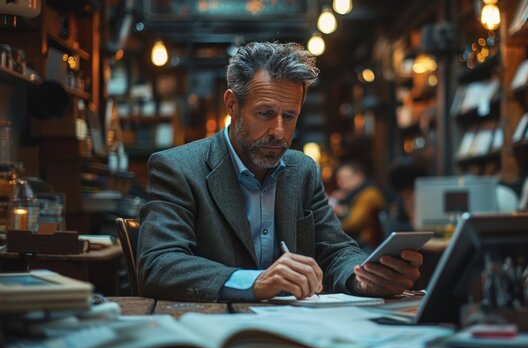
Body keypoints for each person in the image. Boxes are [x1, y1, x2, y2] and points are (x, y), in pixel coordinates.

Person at [137, 42, 422, 302]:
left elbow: (336, 251)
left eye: (289, 116)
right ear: (232, 105)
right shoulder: (178, 167)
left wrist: (363, 278)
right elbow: (158, 264)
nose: (279, 131)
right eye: (264, 114)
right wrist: (255, 281)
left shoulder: (303, 170)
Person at [330, 160, 386, 251]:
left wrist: (339, 212)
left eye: (345, 179)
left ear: (359, 176)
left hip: (366, 246)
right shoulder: (352, 195)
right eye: (339, 179)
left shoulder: (369, 194)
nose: (340, 183)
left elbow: (352, 224)